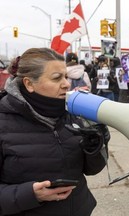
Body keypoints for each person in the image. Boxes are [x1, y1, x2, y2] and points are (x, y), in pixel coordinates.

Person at [0, 47, 110, 215]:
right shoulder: (4, 123)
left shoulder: (73, 114)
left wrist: (95, 148)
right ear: (29, 84)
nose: (67, 84)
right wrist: (29, 194)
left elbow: (91, 170)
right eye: (57, 78)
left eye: (66, 76)